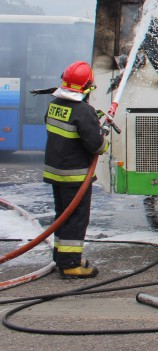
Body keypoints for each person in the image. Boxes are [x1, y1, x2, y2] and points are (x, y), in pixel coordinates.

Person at [43, 61, 109, 278]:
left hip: (55, 173)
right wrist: (103, 135)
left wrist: (92, 122)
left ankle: (61, 257)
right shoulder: (83, 111)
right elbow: (97, 146)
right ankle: (71, 264)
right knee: (76, 219)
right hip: (75, 176)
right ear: (87, 85)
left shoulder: (54, 105)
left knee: (62, 216)